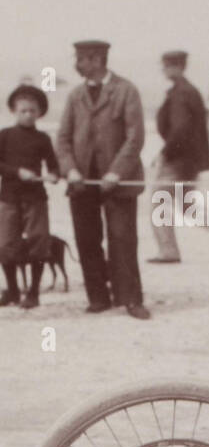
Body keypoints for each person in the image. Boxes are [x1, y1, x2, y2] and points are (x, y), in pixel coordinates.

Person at [56, 40, 148, 319]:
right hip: (82, 184)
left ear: (96, 59)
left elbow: (135, 138)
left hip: (119, 183)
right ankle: (98, 297)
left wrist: (116, 172)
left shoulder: (126, 91)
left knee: (122, 238)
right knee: (87, 239)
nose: (77, 63)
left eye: (81, 59)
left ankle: (131, 299)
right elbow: (62, 139)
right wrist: (70, 170)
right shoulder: (74, 96)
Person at [148, 50, 209, 264]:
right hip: (188, 160)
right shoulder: (187, 90)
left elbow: (181, 129)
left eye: (167, 65)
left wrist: (165, 153)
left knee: (159, 201)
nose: (164, 69)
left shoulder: (181, 93)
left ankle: (168, 250)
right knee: (187, 207)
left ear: (177, 66)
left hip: (178, 159)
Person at [0, 84, 60, 308]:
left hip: (36, 199)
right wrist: (17, 172)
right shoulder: (4, 136)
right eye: (23, 110)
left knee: (38, 242)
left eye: (32, 111)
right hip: (8, 198)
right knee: (5, 245)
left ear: (39, 113)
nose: (27, 115)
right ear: (14, 111)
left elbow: (53, 166)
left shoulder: (43, 138)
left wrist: (53, 175)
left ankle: (33, 293)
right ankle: (13, 291)